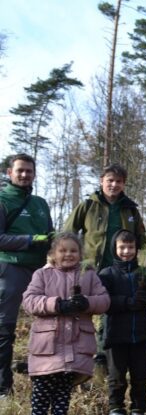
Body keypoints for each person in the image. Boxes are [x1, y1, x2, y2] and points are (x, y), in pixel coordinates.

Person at [22, 233, 110, 415]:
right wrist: (57, 305)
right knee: (42, 390)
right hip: (47, 346)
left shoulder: (88, 275)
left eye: (73, 250)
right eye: (63, 250)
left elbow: (105, 300)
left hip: (76, 345)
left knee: (63, 390)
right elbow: (29, 301)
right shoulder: (42, 275)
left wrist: (86, 303)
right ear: (53, 253)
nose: (68, 254)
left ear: (80, 253)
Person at [63, 163, 145, 370]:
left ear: (124, 184)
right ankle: (78, 356)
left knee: (111, 312)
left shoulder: (130, 209)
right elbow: (68, 233)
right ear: (102, 181)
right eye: (110, 180)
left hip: (119, 271)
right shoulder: (89, 205)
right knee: (83, 310)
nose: (114, 185)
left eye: (118, 181)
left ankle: (103, 358)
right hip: (91, 269)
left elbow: (141, 237)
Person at [98, 230, 146, 415]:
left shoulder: (145, 273)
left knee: (140, 376)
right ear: (114, 249)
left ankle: (139, 412)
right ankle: (116, 411)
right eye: (122, 247)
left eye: (130, 247)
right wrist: (127, 302)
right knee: (116, 378)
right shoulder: (106, 275)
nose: (126, 251)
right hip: (116, 335)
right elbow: (103, 302)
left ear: (137, 249)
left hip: (140, 336)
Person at [0, 153, 53, 398]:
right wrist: (30, 240)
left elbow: (50, 235)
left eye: (29, 171)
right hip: (10, 268)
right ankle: (3, 385)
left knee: (48, 325)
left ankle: (45, 376)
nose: (24, 175)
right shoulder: (2, 200)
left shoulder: (40, 203)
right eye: (19, 170)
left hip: (40, 272)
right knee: (5, 327)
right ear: (9, 173)